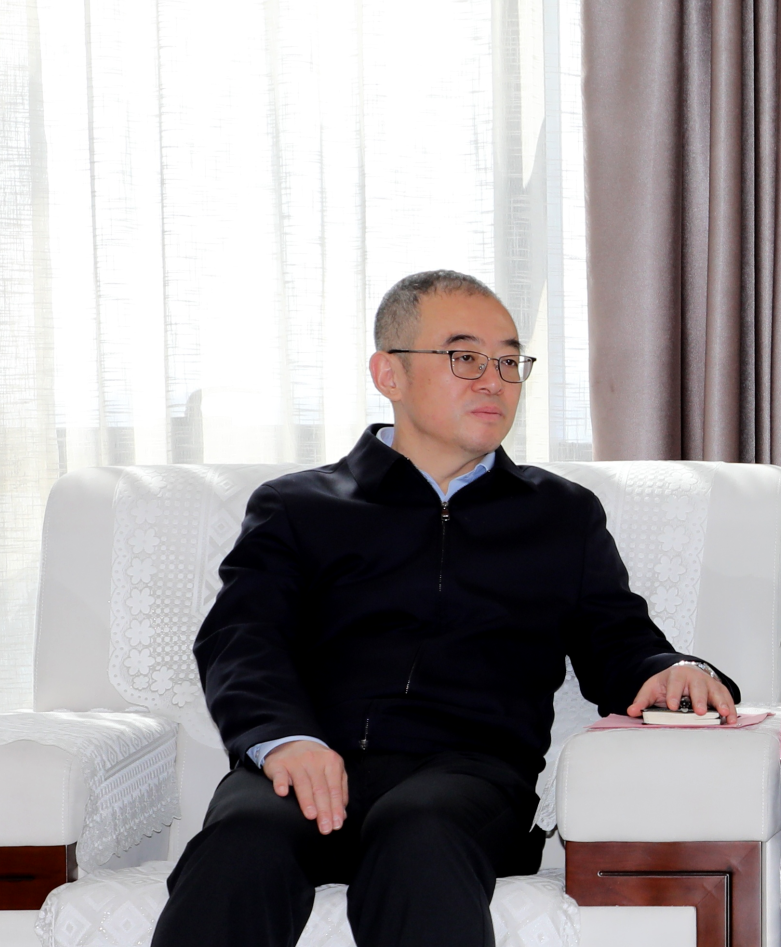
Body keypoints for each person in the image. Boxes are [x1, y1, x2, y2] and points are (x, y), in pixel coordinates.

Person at [153, 270, 740, 947]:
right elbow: (242, 636)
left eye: (509, 362)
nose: (494, 381)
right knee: (243, 841)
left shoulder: (560, 515)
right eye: (465, 358)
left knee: (419, 834)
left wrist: (670, 668)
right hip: (309, 762)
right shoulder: (297, 506)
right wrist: (285, 740)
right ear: (389, 374)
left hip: (469, 776)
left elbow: (617, 638)